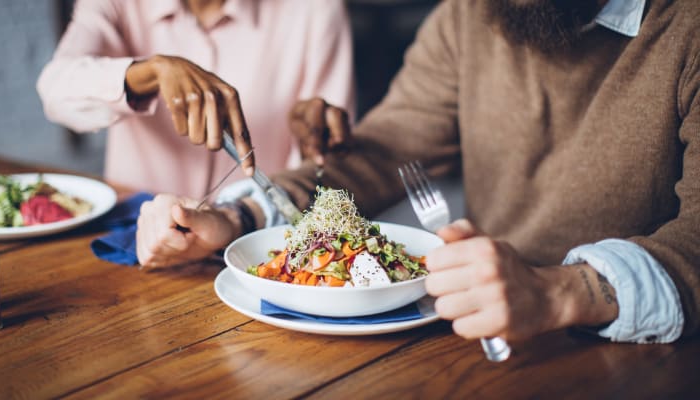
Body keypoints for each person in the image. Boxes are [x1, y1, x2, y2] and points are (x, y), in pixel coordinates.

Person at [136, 0, 700, 345]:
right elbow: (382, 152)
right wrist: (236, 217)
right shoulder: (469, 14)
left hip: (646, 355)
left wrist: (560, 293)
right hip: (478, 337)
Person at [37, 0, 354, 197]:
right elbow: (56, 90)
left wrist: (313, 142)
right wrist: (149, 72)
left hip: (256, 238)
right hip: (131, 232)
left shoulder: (315, 8)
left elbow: (328, 172)